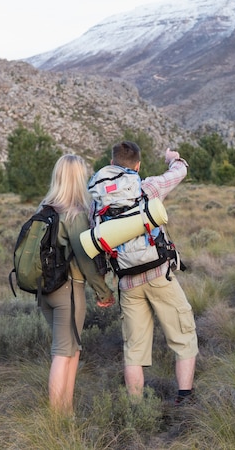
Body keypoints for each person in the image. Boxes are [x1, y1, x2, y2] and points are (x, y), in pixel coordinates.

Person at [90, 141, 198, 404]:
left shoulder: (96, 199)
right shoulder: (147, 186)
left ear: (112, 162)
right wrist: (174, 158)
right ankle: (184, 399)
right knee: (183, 335)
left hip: (126, 280)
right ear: (137, 166)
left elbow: (96, 241)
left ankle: (136, 407)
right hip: (159, 273)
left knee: (134, 349)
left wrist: (101, 285)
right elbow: (180, 172)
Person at [40, 154, 115, 413]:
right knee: (63, 353)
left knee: (71, 350)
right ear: (78, 179)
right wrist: (104, 293)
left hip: (45, 291)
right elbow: (85, 261)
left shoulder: (44, 209)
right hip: (69, 291)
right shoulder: (76, 214)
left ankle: (67, 412)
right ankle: (56, 420)